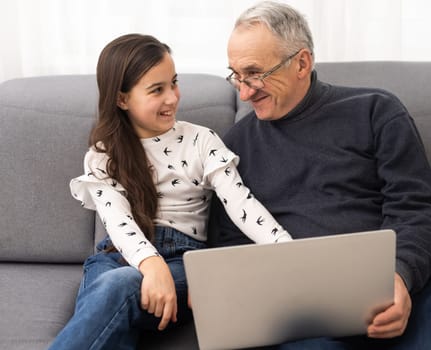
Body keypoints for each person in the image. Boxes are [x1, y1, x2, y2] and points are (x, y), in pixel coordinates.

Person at [209, 1, 431, 349]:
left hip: (397, 274)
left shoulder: (376, 110)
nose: (243, 91)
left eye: (255, 73)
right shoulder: (234, 147)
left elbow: (417, 207)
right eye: (236, 75)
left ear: (301, 63)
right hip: (301, 294)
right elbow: (229, 241)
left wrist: (399, 276)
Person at [48, 33, 291, 350]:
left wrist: (287, 251)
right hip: (118, 257)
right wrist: (151, 266)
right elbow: (117, 222)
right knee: (115, 286)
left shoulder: (202, 141)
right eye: (156, 90)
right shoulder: (103, 153)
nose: (173, 98)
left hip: (183, 261)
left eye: (173, 83)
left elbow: (242, 203)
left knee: (119, 287)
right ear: (122, 99)